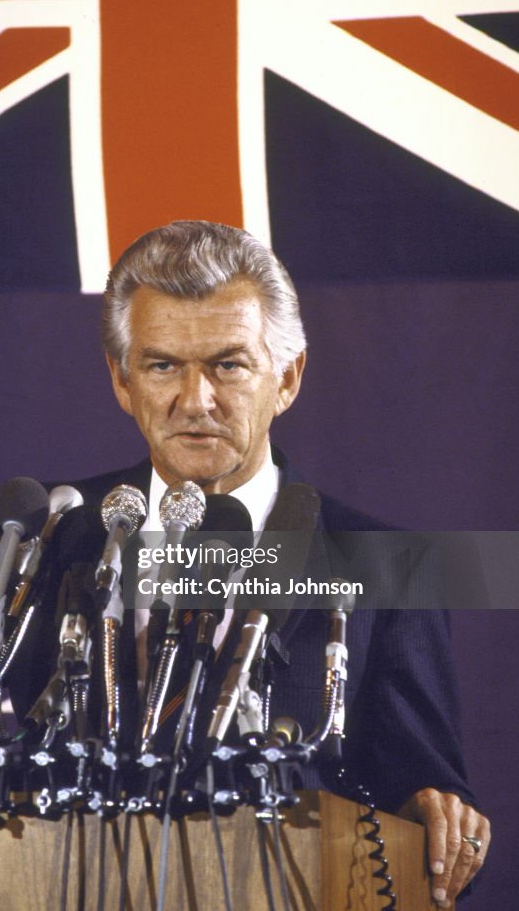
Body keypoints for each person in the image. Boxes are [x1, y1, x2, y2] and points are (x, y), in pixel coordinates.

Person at [37, 219, 490, 906]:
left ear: (287, 377)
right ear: (122, 382)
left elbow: (418, 787)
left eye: (228, 364)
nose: (195, 401)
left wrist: (439, 809)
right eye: (162, 365)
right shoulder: (52, 537)